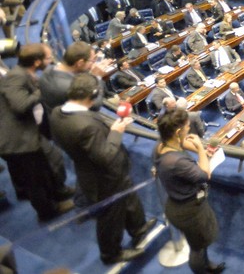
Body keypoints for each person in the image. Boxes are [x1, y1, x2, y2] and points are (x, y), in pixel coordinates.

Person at [50, 73, 156, 264]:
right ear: (90, 96)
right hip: (103, 179)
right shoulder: (86, 126)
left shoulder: (58, 111)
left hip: (100, 170)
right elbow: (106, 156)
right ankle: (111, 254)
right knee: (110, 217)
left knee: (130, 199)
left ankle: (139, 228)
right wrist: (116, 132)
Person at [0, 43, 75, 222]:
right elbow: (20, 105)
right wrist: (40, 90)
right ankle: (47, 212)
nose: (50, 60)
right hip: (18, 140)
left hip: (28, 133)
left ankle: (58, 193)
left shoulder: (24, 73)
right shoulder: (16, 77)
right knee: (35, 181)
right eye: (47, 57)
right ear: (36, 62)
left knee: (49, 163)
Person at [154, 109, 223, 273]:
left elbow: (181, 143)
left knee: (201, 241)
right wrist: (200, 149)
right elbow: (205, 175)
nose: (189, 129)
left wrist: (201, 151)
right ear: (178, 132)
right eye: (187, 127)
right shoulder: (177, 162)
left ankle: (207, 265)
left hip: (180, 205)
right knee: (197, 247)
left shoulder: (162, 146)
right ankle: (201, 269)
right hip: (189, 210)